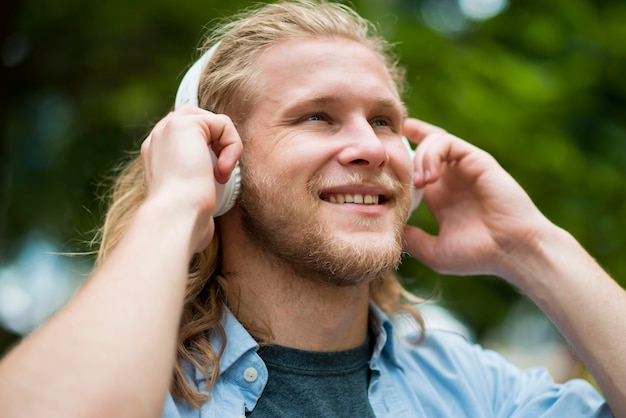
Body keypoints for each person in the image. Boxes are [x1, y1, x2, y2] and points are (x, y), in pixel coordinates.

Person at [0, 1, 624, 417]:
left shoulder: (470, 390)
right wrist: (174, 205)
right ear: (222, 161)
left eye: (385, 121)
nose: (371, 148)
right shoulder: (131, 375)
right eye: (317, 116)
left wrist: (533, 246)